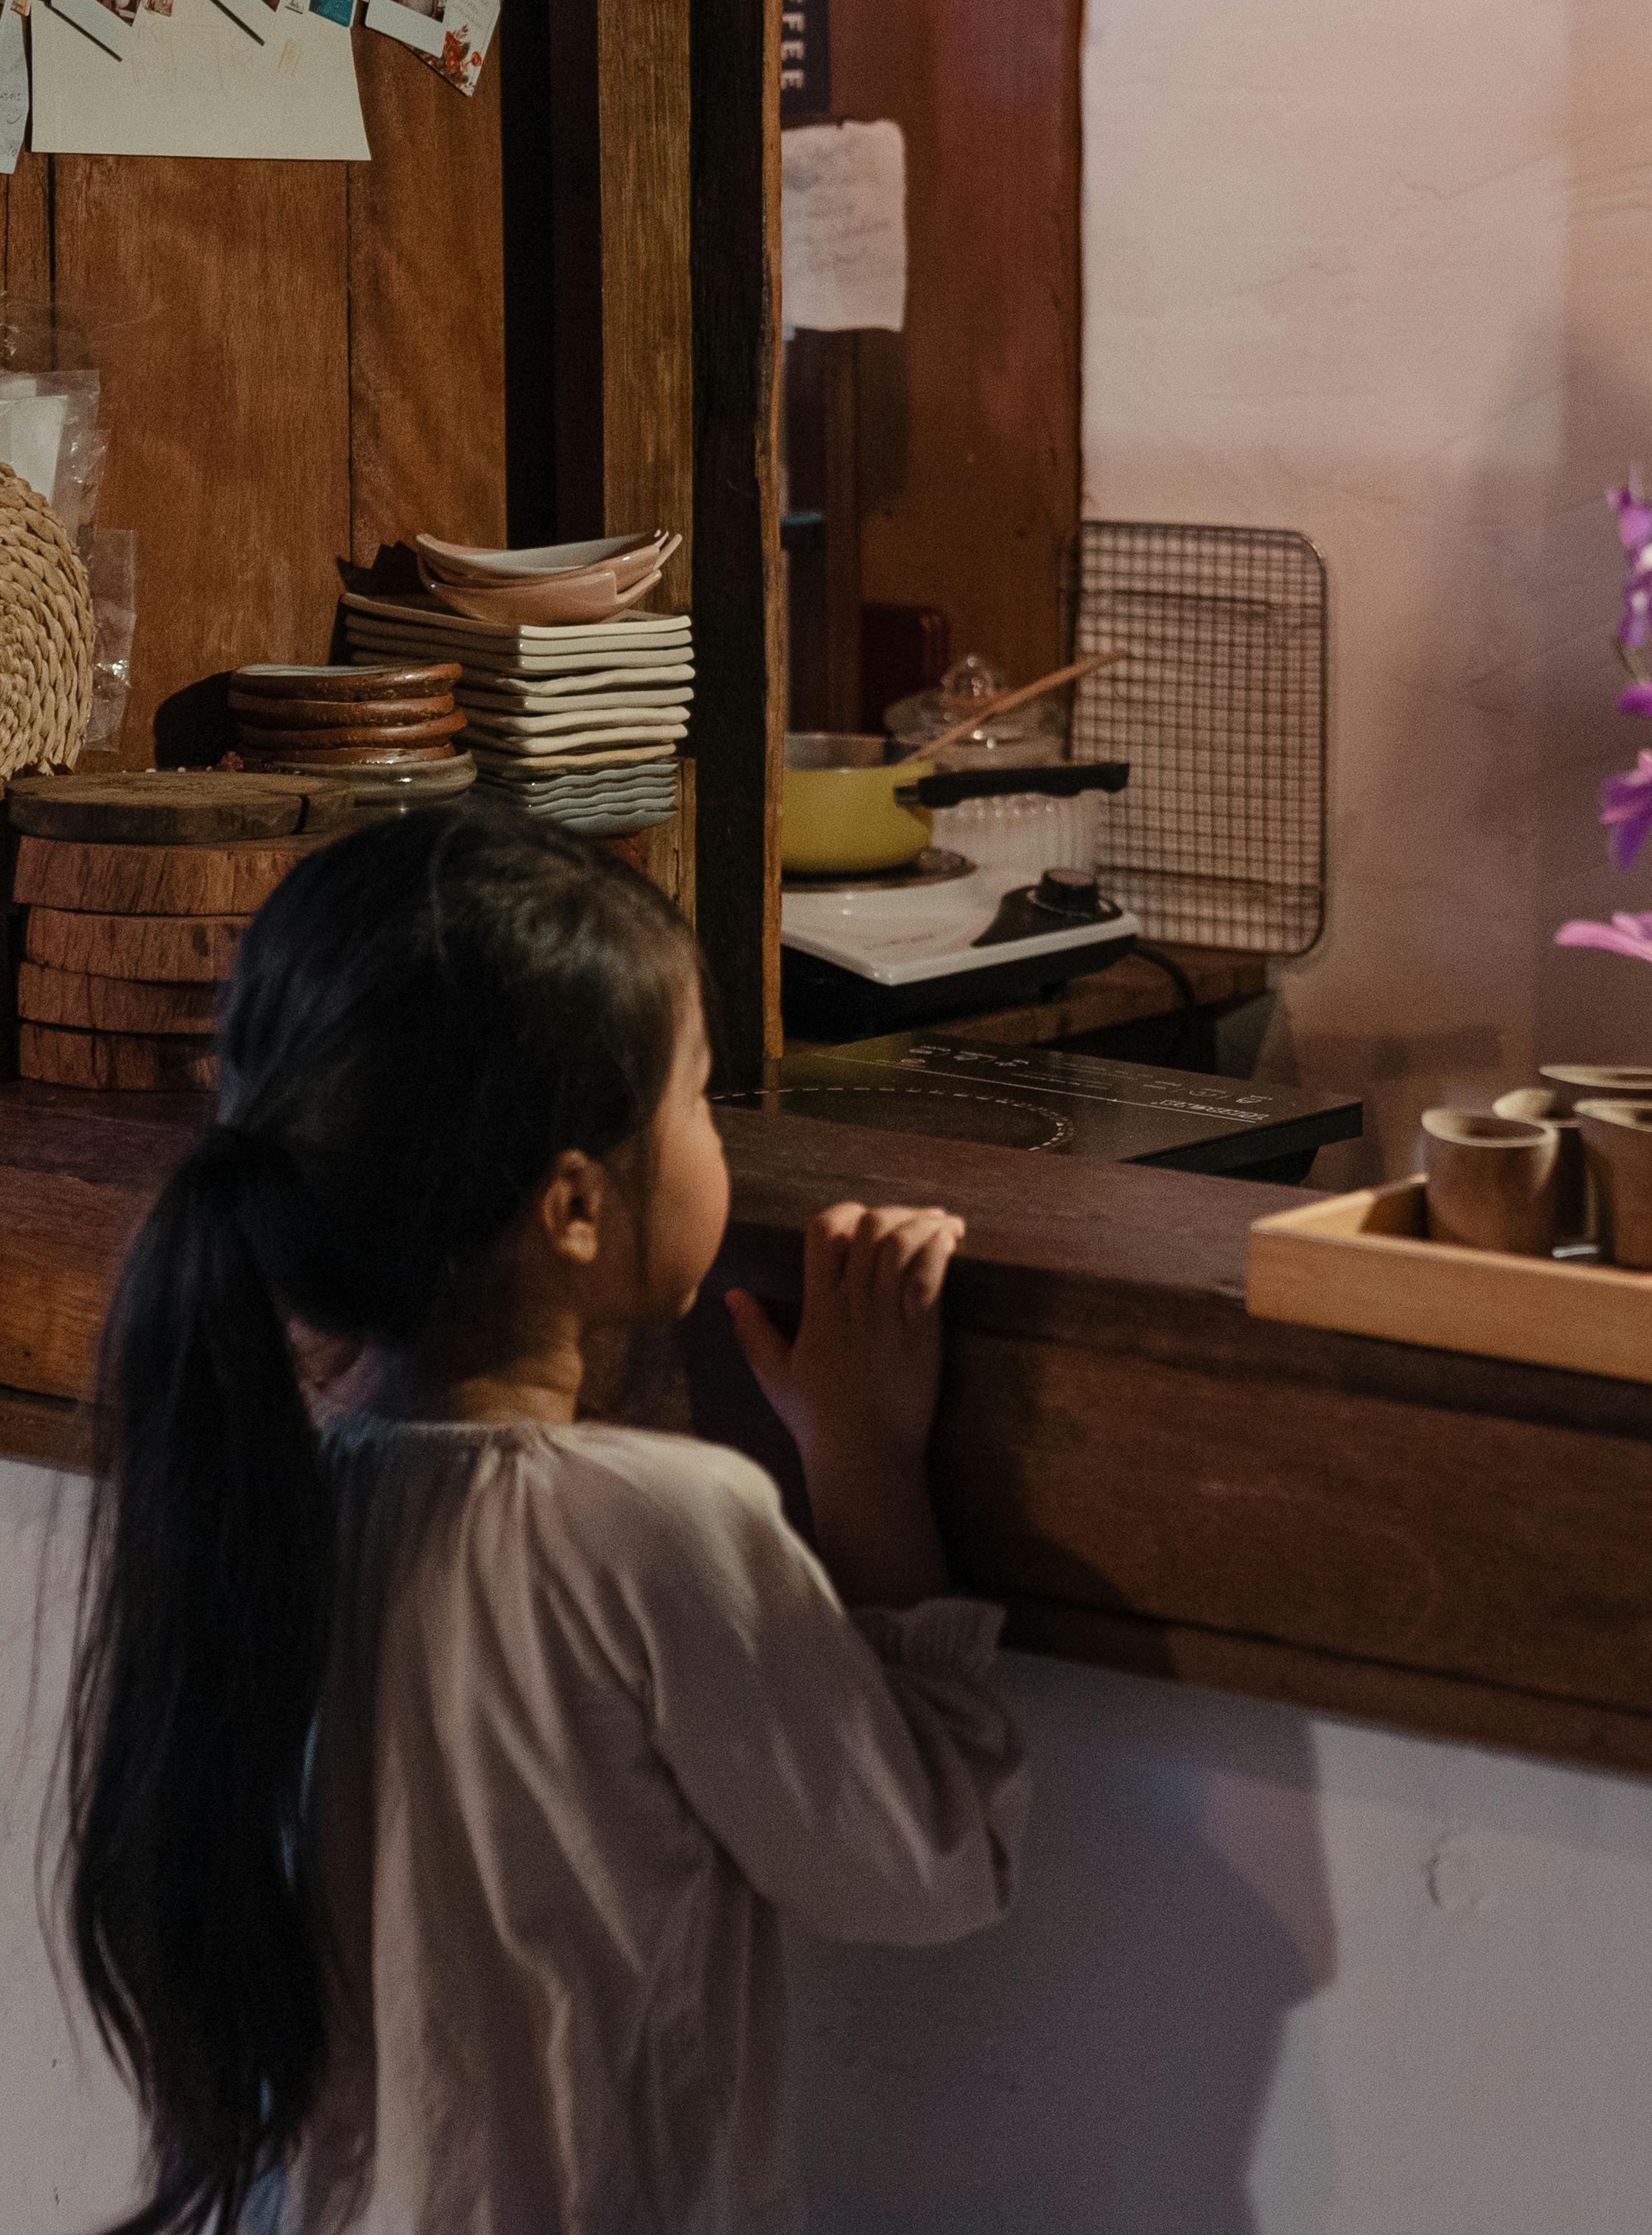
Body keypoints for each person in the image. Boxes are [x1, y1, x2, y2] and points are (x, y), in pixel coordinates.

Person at [63, 805, 1026, 2235]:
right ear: (574, 1203)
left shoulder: (257, 1492)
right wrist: (869, 1459)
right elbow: (926, 1861)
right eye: (699, 1093)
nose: (718, 1131)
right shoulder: (654, 1525)